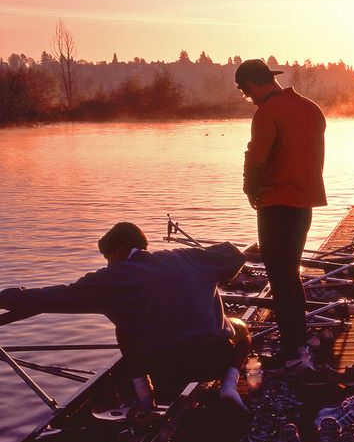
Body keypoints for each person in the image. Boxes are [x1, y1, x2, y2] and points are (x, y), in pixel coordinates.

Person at [0, 222, 251, 411]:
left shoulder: (112, 278)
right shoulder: (188, 257)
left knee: (125, 326)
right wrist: (215, 278)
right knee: (241, 328)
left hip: (165, 369)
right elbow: (235, 254)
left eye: (109, 258)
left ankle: (145, 398)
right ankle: (229, 387)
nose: (109, 265)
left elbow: (53, 296)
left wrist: (7, 297)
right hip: (215, 358)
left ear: (119, 250)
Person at [236, 58, 326, 372]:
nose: (250, 100)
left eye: (247, 93)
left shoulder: (267, 113)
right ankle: (297, 341)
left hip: (276, 201)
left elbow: (257, 158)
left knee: (280, 275)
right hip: (305, 202)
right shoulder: (311, 108)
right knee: (291, 273)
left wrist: (250, 189)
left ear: (251, 85)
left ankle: (293, 348)